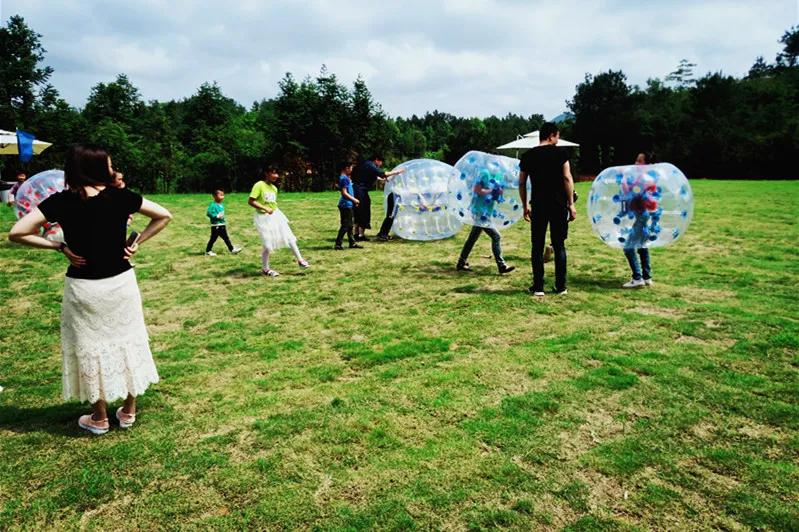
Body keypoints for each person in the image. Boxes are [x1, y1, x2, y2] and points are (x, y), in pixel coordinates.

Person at [8, 144, 172, 435]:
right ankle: (129, 411)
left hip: (84, 287)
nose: (111, 169)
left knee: (90, 349)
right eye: (108, 164)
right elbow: (163, 215)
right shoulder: (121, 197)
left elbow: (17, 233)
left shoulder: (60, 201)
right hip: (121, 283)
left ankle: (99, 418)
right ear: (97, 169)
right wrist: (137, 242)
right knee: (129, 340)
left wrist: (58, 246)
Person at [519, 122, 577, 296]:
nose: (558, 140)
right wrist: (571, 203)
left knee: (537, 246)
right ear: (551, 135)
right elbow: (567, 178)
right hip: (558, 205)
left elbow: (522, 183)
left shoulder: (528, 156)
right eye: (557, 136)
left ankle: (538, 287)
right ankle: (561, 286)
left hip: (538, 204)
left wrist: (525, 205)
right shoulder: (561, 153)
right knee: (559, 245)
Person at [248, 166, 309, 276]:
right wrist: (265, 208)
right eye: (273, 173)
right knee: (267, 244)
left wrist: (271, 210)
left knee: (289, 236)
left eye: (277, 173)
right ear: (267, 173)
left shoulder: (274, 188)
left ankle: (300, 260)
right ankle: (266, 269)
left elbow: (273, 203)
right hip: (263, 218)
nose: (276, 176)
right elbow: (251, 201)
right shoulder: (259, 185)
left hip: (276, 215)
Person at [456, 169, 515, 274]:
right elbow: (477, 190)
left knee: (472, 238)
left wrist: (499, 193)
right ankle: (502, 265)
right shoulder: (484, 173)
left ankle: (461, 263)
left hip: (487, 211)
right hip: (479, 211)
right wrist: (492, 191)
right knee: (496, 236)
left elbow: (498, 193)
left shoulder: (499, 175)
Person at [352, 155, 404, 241]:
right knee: (363, 211)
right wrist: (397, 172)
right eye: (380, 162)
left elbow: (376, 176)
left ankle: (358, 234)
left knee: (360, 211)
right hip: (360, 191)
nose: (380, 164)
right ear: (376, 160)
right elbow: (383, 173)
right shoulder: (370, 165)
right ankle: (359, 235)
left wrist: (383, 178)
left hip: (359, 190)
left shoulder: (366, 164)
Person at [622, 152, 654, 288]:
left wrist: (624, 181)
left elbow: (631, 193)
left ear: (646, 164)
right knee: (642, 245)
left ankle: (637, 278)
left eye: (639, 161)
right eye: (636, 160)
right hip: (644, 215)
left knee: (628, 247)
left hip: (642, 215)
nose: (636, 164)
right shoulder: (647, 178)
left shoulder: (643, 179)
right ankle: (647, 277)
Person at [335, 161, 363, 250]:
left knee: (350, 225)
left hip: (348, 204)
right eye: (351, 168)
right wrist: (354, 200)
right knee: (345, 225)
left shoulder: (345, 177)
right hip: (345, 205)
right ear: (346, 168)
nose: (351, 170)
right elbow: (344, 193)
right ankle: (338, 244)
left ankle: (352, 243)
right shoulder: (344, 179)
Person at [205, 188, 242, 256]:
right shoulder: (213, 205)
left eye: (223, 195)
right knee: (213, 239)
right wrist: (216, 216)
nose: (222, 197)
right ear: (215, 196)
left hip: (222, 224)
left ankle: (232, 249)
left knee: (225, 238)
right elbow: (208, 213)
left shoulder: (221, 205)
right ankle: (208, 251)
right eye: (220, 195)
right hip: (216, 225)